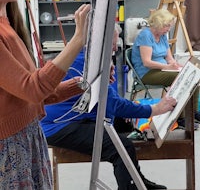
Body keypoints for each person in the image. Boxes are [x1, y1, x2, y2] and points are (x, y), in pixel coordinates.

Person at [41, 28, 177, 190]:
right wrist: (155, 109)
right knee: (122, 147)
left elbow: (107, 100)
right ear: (101, 42)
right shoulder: (87, 62)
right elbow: (112, 104)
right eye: (113, 43)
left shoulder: (91, 57)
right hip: (59, 126)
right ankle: (131, 186)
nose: (115, 48)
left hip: (77, 116)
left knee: (123, 125)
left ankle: (137, 180)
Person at [0, 0, 90, 189]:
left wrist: (83, 83)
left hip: (26, 137)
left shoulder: (8, 24)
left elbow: (33, 96)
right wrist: (77, 40)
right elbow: (33, 89)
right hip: (9, 147)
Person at [131, 8, 199, 129]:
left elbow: (169, 58)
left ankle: (191, 113)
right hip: (147, 73)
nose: (168, 29)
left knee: (193, 77)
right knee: (180, 79)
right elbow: (147, 62)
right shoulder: (146, 35)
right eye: (166, 26)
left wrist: (178, 66)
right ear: (158, 23)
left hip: (162, 70)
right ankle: (181, 117)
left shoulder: (162, 36)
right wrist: (168, 67)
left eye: (169, 26)